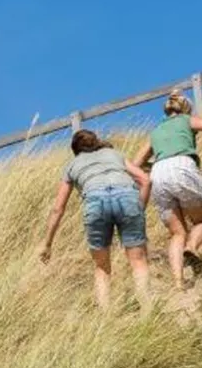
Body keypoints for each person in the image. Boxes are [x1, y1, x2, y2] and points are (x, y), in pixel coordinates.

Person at [131, 93, 202, 289]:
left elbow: (135, 163)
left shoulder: (155, 132)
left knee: (177, 233)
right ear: (185, 109)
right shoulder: (185, 120)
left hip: (158, 174)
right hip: (183, 166)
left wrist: (159, 164)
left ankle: (178, 282)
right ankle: (191, 248)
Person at [39, 129, 153, 309]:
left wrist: (47, 243)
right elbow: (145, 180)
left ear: (75, 149)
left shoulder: (72, 165)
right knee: (138, 261)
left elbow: (57, 209)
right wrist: (139, 210)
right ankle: (148, 312)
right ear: (96, 142)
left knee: (102, 267)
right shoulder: (114, 154)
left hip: (95, 202)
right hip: (127, 198)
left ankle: (105, 319)